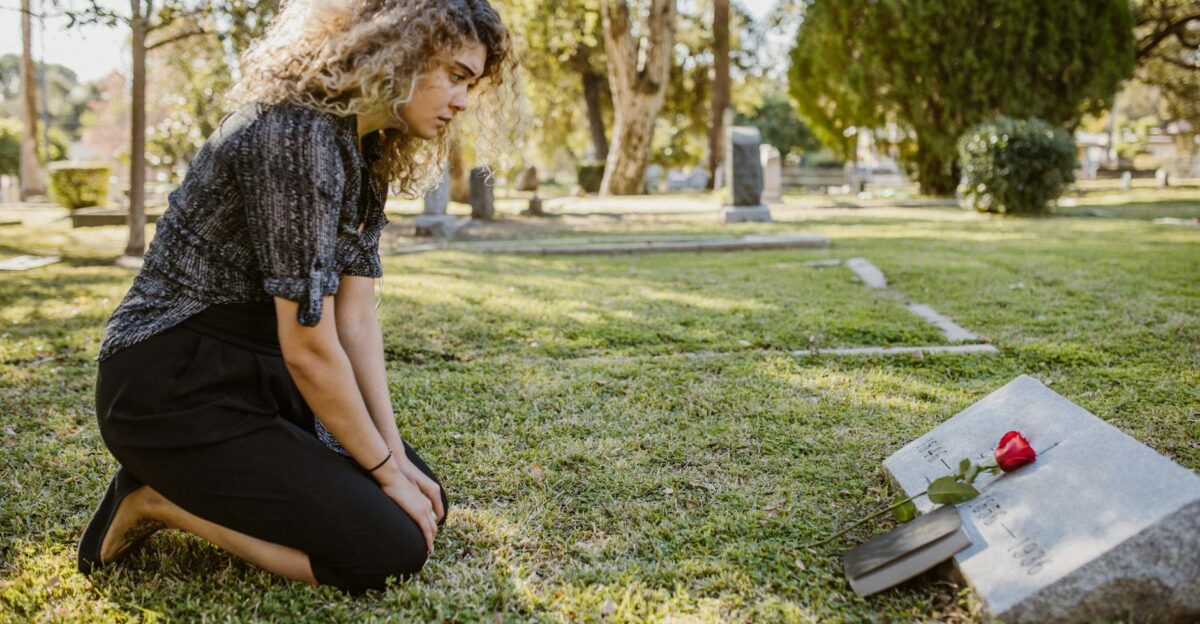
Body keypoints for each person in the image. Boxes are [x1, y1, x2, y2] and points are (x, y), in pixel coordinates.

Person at [77, 0, 516, 595]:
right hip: (172, 385)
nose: (463, 102)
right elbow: (310, 347)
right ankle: (155, 499)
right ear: (398, 50)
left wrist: (394, 458)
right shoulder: (295, 136)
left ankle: (187, 477)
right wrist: (383, 473)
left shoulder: (366, 147)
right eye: (456, 76)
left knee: (424, 495)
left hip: (264, 379)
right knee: (391, 549)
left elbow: (355, 318)